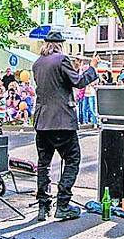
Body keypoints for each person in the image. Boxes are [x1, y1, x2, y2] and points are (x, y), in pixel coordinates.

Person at [31, 32, 99, 221]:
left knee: (43, 164)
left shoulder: (37, 63)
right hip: (62, 121)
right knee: (72, 160)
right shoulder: (61, 60)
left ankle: (43, 207)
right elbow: (78, 82)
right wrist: (92, 68)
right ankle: (62, 204)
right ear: (60, 45)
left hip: (42, 121)